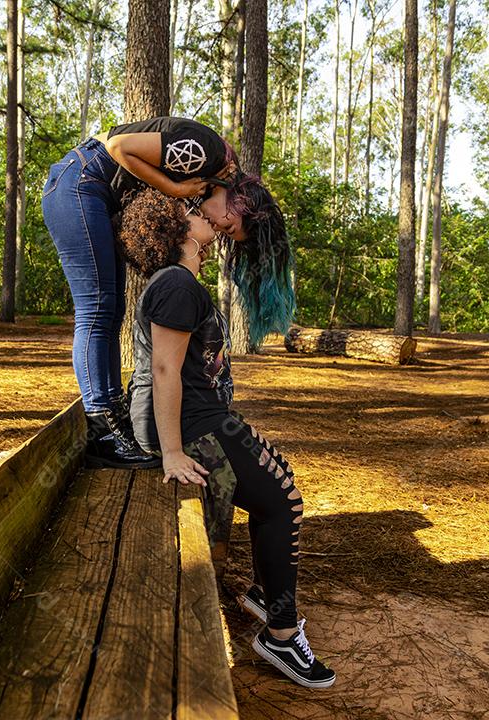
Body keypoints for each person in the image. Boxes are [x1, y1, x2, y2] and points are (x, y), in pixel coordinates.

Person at [117, 188, 335, 690]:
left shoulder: (181, 282)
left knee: (280, 484)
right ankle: (280, 633)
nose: (208, 221)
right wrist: (171, 451)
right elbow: (166, 369)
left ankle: (267, 591)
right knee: (284, 502)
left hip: (204, 414)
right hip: (191, 424)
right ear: (174, 230)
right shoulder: (175, 283)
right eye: (194, 214)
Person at [40, 116, 292, 469]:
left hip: (93, 191)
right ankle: (100, 427)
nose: (219, 228)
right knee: (97, 309)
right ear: (241, 200)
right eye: (230, 225)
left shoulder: (210, 167)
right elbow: (118, 147)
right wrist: (176, 191)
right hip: (80, 182)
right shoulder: (205, 153)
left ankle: (113, 417)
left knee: (112, 310)